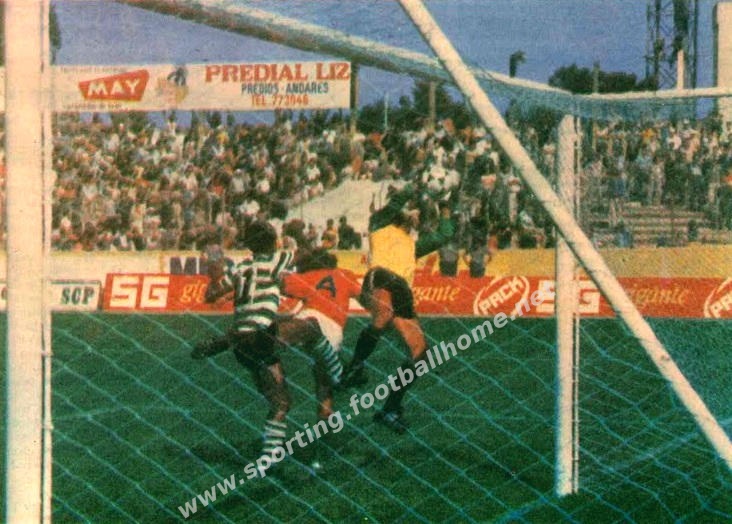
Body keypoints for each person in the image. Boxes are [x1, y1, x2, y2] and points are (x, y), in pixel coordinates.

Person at [340, 184, 455, 433]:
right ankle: (355, 367)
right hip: (381, 277)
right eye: (412, 213)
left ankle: (390, 409)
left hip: (402, 289)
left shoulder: (413, 245)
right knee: (383, 315)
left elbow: (444, 236)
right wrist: (413, 189)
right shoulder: (380, 225)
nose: (417, 217)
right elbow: (394, 205)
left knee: (420, 353)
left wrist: (445, 209)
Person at [191, 220, 294, 467]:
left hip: (242, 343)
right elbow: (296, 258)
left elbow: (211, 295)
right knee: (281, 402)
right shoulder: (278, 260)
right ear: (273, 242)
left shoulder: (241, 267)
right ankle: (269, 459)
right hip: (262, 336)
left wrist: (216, 271)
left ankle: (225, 340)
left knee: (274, 398)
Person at [278, 248, 361, 467]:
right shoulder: (344, 275)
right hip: (335, 333)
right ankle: (322, 452)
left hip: (313, 322)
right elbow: (363, 294)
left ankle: (266, 342)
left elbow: (280, 283)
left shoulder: (305, 277)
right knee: (324, 392)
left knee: (276, 332)